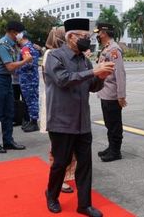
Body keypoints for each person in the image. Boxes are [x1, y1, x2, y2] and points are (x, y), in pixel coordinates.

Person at [44, 18, 114, 216]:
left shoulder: (84, 59)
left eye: (89, 37)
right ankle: (51, 194)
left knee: (85, 165)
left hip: (82, 122)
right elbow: (63, 79)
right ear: (71, 37)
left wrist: (101, 77)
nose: (87, 40)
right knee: (60, 163)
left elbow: (91, 86)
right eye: (84, 36)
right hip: (61, 121)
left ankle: (84, 204)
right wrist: (93, 71)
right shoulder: (54, 57)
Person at [40, 25, 77, 194]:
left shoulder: (62, 54)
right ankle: (58, 180)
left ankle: (66, 175)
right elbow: (63, 79)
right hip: (56, 104)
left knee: (68, 145)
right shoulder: (51, 54)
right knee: (59, 146)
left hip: (66, 104)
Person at [0, 21, 33, 154]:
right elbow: (9, 66)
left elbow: (11, 68)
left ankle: (8, 141)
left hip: (6, 79)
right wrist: (25, 61)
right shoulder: (3, 45)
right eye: (20, 33)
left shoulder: (12, 45)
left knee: (9, 111)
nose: (21, 36)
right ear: (14, 32)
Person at [94, 23, 127, 162]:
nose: (98, 35)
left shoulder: (114, 50)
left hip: (112, 94)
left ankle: (115, 151)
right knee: (109, 123)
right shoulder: (106, 48)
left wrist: (121, 95)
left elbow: (120, 73)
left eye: (99, 32)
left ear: (104, 33)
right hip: (105, 92)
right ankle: (111, 147)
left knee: (114, 124)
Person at [16, 31, 41, 132]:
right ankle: (32, 121)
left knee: (32, 101)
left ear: (22, 37)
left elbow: (30, 64)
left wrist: (17, 68)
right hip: (28, 79)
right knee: (29, 100)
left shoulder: (28, 48)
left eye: (18, 35)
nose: (16, 37)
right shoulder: (27, 47)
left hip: (29, 80)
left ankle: (34, 122)